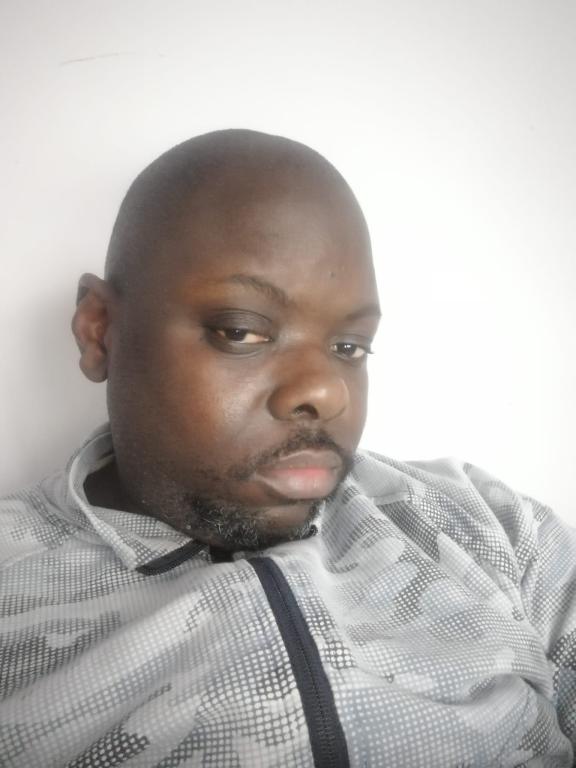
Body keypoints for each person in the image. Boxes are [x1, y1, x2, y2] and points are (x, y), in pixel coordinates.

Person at [1, 129, 575, 768]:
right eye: (241, 332)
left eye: (349, 347)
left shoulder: (490, 527)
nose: (326, 392)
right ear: (99, 331)